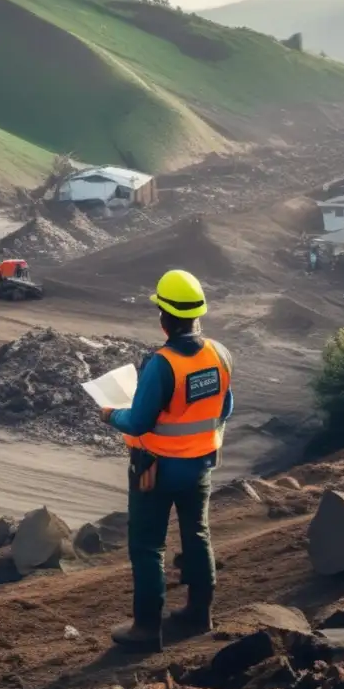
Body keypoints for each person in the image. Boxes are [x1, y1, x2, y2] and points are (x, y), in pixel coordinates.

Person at [100, 269, 234, 653]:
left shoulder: (162, 364)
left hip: (154, 471)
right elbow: (225, 407)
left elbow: (140, 421)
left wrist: (111, 415)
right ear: (197, 314)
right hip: (199, 468)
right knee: (198, 533)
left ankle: (146, 628)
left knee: (147, 547)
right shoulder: (220, 355)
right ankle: (199, 612)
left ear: (164, 318)